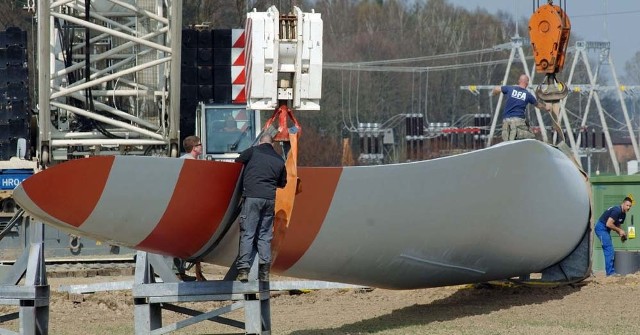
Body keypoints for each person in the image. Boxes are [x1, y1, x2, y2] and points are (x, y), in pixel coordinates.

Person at [234, 134, 287, 282]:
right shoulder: (279, 159)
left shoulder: (253, 151)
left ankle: (243, 270)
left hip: (252, 197)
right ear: (273, 144)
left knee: (248, 232)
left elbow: (237, 162)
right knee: (264, 236)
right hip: (269, 199)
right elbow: (283, 183)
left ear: (260, 142)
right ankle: (264, 272)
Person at [177, 135, 206, 281]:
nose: (201, 146)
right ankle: (179, 272)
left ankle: (181, 272)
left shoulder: (185, 160)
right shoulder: (190, 162)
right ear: (194, 147)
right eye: (199, 144)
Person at [492, 74, 549, 142]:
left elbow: (496, 89)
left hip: (506, 123)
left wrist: (494, 93)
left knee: (508, 142)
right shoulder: (527, 95)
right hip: (518, 122)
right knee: (530, 138)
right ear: (527, 83)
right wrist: (546, 108)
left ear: (519, 81)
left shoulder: (510, 88)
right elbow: (538, 105)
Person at [595, 197, 632, 276]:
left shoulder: (623, 214)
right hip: (601, 228)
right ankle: (610, 273)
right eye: (627, 205)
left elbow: (618, 224)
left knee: (609, 248)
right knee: (609, 249)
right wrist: (619, 230)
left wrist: (621, 233)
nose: (628, 207)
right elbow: (608, 224)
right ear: (623, 203)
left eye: (630, 206)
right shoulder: (617, 210)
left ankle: (610, 272)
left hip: (606, 229)